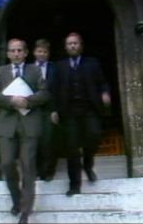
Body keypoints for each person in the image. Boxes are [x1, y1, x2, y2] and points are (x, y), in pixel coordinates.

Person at [0, 38, 50, 224]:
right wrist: (11, 101)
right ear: (8, 53)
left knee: (28, 165)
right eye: (12, 50)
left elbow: (45, 93)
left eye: (19, 50)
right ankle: (16, 200)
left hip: (29, 124)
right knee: (7, 164)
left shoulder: (35, 70)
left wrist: (28, 101)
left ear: (26, 53)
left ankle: (25, 210)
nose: (16, 53)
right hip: (6, 125)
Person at [51, 32, 111, 197]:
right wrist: (54, 110)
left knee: (93, 137)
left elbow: (103, 82)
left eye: (75, 43)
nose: (72, 46)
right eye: (69, 43)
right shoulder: (60, 66)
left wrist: (105, 93)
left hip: (90, 108)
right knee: (72, 149)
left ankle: (88, 163)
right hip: (69, 111)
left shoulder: (93, 63)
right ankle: (74, 185)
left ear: (81, 45)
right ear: (65, 47)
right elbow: (54, 90)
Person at [33, 39, 58, 182]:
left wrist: (55, 110)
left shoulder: (55, 68)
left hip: (49, 110)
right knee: (34, 141)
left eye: (45, 52)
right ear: (34, 52)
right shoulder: (28, 68)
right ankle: (36, 170)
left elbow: (58, 90)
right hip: (32, 111)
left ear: (48, 54)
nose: (42, 54)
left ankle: (48, 171)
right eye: (39, 51)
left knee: (48, 141)